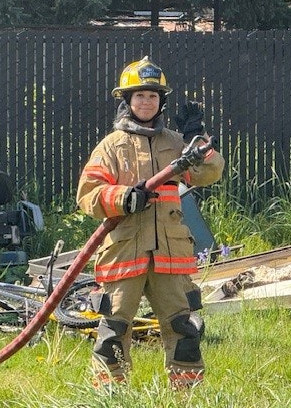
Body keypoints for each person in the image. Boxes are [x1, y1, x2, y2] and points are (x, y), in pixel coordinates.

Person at [76, 56, 225, 389]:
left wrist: (199, 140)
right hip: (125, 252)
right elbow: (88, 193)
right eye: (139, 95)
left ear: (161, 102)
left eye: (153, 96)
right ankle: (111, 394)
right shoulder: (111, 147)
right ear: (127, 100)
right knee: (114, 331)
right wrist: (123, 198)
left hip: (170, 255)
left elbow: (209, 173)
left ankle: (187, 394)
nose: (146, 101)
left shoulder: (177, 143)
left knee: (183, 329)